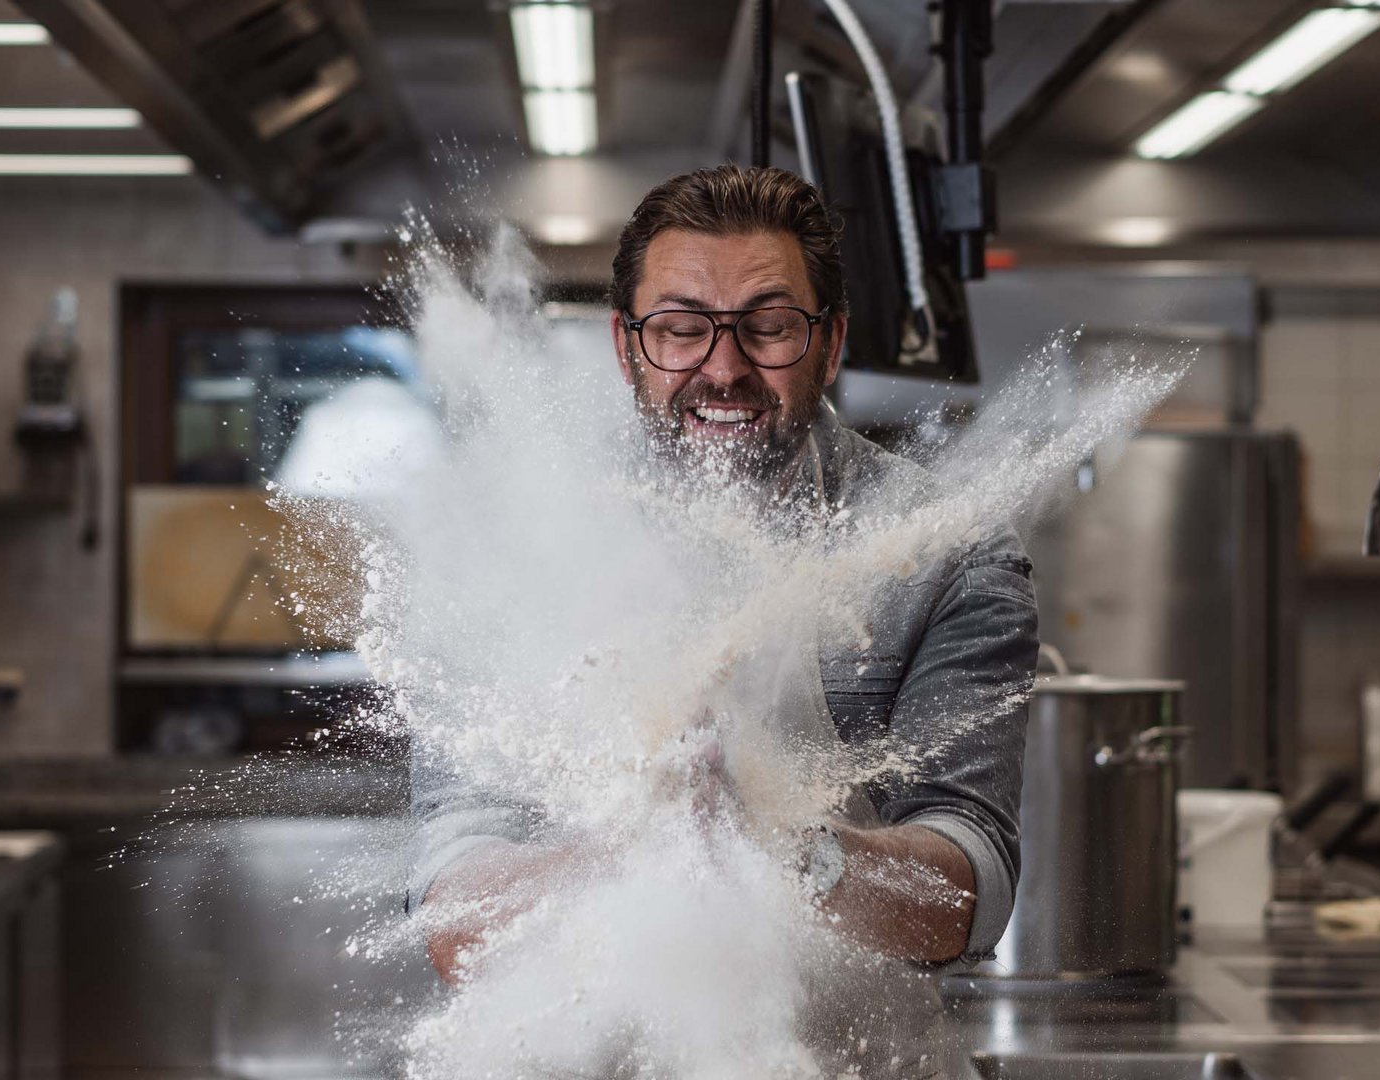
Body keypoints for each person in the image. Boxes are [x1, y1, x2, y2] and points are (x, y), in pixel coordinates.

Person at [409, 163, 1037, 1018]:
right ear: (628, 346)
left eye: (769, 327)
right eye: (680, 329)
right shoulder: (510, 552)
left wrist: (785, 851)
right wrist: (643, 847)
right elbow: (456, 919)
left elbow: (973, 891)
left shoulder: (944, 554)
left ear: (831, 340)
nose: (725, 366)